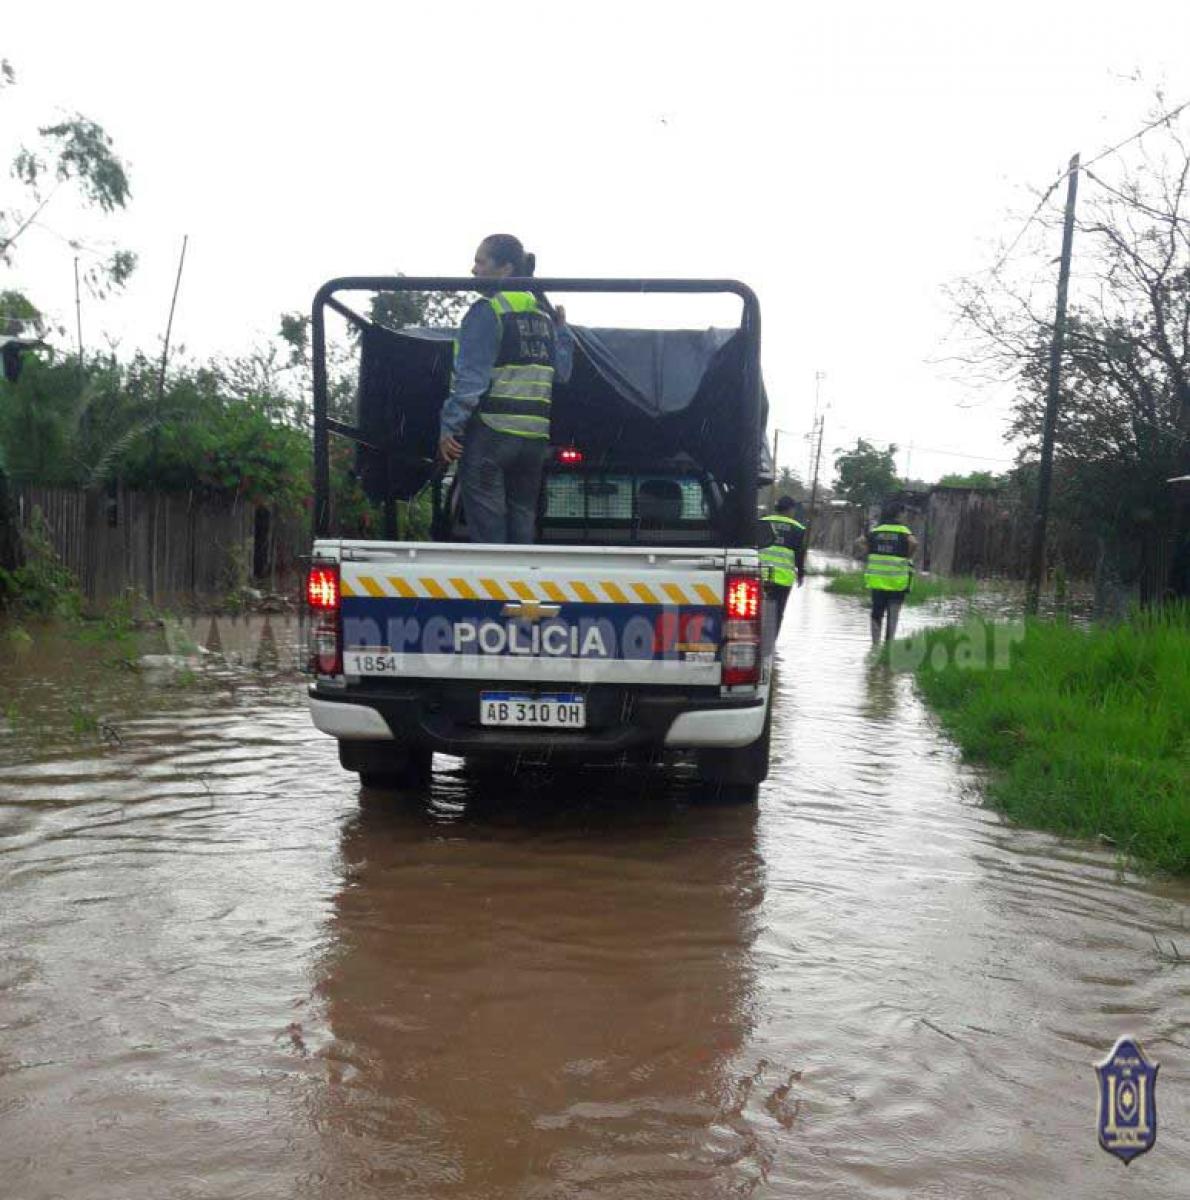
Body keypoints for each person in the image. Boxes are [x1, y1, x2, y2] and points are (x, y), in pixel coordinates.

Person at [438, 234, 574, 544]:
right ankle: (522, 589)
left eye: (480, 261)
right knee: (522, 521)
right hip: (533, 441)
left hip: (492, 436)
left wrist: (450, 428)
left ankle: (494, 590)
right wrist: (563, 330)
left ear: (506, 268)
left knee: (490, 532)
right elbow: (562, 374)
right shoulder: (543, 317)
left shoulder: (489, 311)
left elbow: (471, 381)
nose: (473, 270)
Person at [853, 502, 918, 645]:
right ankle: (889, 645)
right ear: (899, 514)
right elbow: (914, 543)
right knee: (893, 614)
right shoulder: (903, 530)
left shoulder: (876, 530)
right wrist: (908, 557)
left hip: (877, 581)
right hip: (897, 582)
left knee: (876, 612)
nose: (905, 515)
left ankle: (875, 645)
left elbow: (859, 541)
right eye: (904, 512)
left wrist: (869, 551)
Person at [760, 496, 807, 631]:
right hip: (782, 580)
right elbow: (800, 555)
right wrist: (801, 574)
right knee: (777, 613)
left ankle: (755, 642)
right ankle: (771, 645)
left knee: (756, 611)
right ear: (791, 509)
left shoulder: (762, 522)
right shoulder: (797, 528)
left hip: (760, 576)